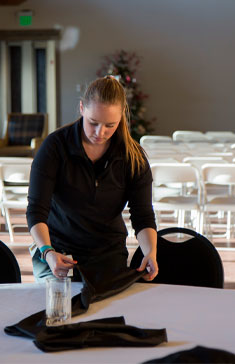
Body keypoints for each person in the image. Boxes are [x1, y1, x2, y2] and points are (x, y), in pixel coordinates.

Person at [27, 76, 158, 283]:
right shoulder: (55, 147)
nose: (100, 132)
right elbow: (36, 210)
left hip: (107, 252)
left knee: (107, 310)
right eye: (93, 123)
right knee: (60, 308)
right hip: (57, 249)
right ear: (81, 108)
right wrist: (47, 251)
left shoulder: (133, 157)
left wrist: (150, 252)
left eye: (110, 125)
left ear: (121, 117)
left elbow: (142, 215)